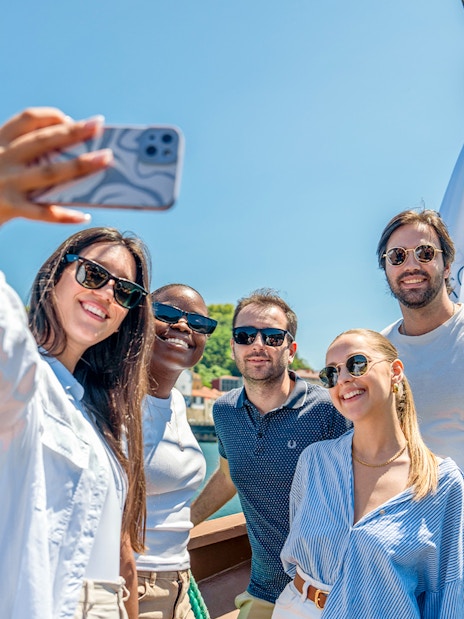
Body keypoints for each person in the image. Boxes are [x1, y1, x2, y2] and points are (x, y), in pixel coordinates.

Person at [0, 107, 153, 618]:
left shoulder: (98, 413)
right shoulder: (24, 377)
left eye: (125, 291)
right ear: (55, 277)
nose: (107, 294)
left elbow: (116, 553)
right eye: (93, 275)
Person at [274, 329, 464, 618]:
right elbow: (294, 557)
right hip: (297, 609)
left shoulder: (441, 482)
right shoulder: (314, 461)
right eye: (331, 374)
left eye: (357, 363)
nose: (344, 379)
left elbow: (447, 593)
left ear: (395, 372)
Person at [191, 289, 349, 619]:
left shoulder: (328, 410)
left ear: (291, 349)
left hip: (327, 591)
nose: (258, 345)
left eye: (273, 337)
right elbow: (226, 475)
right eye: (245, 336)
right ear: (233, 346)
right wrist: (182, 524)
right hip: (263, 589)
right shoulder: (225, 412)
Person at [136, 284, 217, 619]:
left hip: (180, 581)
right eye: (167, 314)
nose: (184, 326)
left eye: (199, 325)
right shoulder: (114, 401)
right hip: (133, 584)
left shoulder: (178, 403)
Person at [377, 209, 464, 468]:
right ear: (386, 269)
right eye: (397, 256)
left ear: (447, 266)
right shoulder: (378, 352)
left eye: (425, 253)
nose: (411, 266)